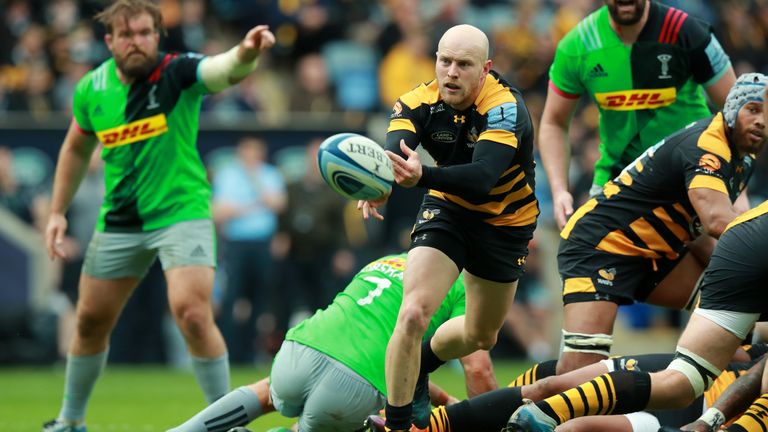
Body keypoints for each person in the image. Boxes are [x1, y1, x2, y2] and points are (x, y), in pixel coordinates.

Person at [42, 1, 275, 431]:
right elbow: (75, 147)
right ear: (109, 41)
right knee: (90, 321)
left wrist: (246, 52)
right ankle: (70, 421)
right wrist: (57, 210)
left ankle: (228, 424)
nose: (136, 41)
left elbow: (223, 71)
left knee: (192, 313)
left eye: (144, 32)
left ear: (157, 36)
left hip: (181, 211)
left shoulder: (177, 72)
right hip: (121, 220)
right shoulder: (91, 88)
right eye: (126, 35)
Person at [358, 24, 538, 431]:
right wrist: (379, 181)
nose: (452, 72)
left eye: (464, 64)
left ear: (485, 69)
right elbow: (396, 151)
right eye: (445, 61)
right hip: (448, 210)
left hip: (505, 223)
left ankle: (423, 363)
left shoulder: (505, 107)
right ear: (435, 61)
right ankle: (398, 424)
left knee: (481, 336)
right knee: (412, 313)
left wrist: (421, 176)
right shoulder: (415, 101)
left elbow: (482, 177)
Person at [506, 153, 768, 431]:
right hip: (701, 391)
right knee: (572, 381)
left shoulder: (723, 160)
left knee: (567, 396)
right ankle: (541, 409)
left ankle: (520, 411)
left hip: (728, 244)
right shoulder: (707, 150)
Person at [543, 73, 766, 376]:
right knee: (580, 369)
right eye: (752, 109)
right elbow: (717, 221)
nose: (761, 121)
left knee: (738, 314)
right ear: (731, 109)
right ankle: (524, 399)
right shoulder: (709, 147)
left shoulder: (744, 157)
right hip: (601, 245)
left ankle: (723, 398)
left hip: (657, 253)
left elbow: (704, 230)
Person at [166, 254, 497, 432]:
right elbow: (478, 370)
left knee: (268, 392)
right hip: (355, 388)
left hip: (299, 352)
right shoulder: (462, 284)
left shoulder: (388, 260)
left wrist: (443, 398)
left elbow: (391, 353)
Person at [539, 0, 736, 231]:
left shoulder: (687, 32)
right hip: (618, 180)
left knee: (713, 242)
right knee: (582, 247)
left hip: (690, 176)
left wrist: (738, 186)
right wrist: (560, 191)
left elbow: (736, 112)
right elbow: (554, 123)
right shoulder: (577, 45)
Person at [366, 344, 767, 432]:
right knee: (549, 386)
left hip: (691, 418)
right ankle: (425, 426)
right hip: (693, 377)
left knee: (572, 428)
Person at [212, 136, 286, 364]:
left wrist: (255, 183)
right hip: (236, 243)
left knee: (260, 298)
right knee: (232, 297)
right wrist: (254, 206)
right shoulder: (227, 175)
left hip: (262, 243)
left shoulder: (270, 175)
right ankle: (228, 351)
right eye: (248, 151)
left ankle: (252, 352)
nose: (252, 156)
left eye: (256, 151)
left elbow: (278, 204)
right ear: (240, 152)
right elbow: (219, 212)